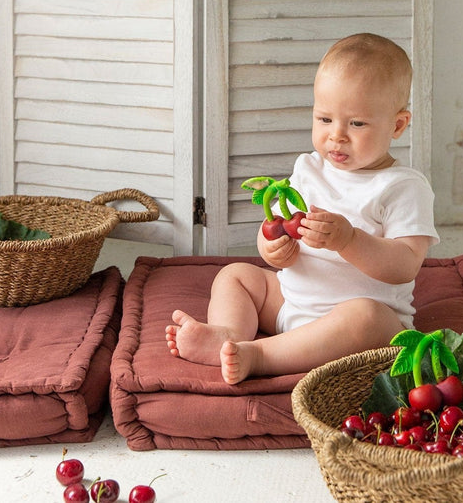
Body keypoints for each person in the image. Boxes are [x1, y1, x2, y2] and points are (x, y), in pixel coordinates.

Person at [165, 32, 438, 384]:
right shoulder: (307, 169)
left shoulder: (402, 187)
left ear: (397, 124)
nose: (336, 135)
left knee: (367, 317)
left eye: (356, 123)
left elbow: (405, 264)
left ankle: (261, 355)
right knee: (235, 275)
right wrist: (273, 249)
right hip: (291, 303)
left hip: (355, 325)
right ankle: (228, 333)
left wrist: (348, 240)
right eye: (324, 119)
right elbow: (276, 226)